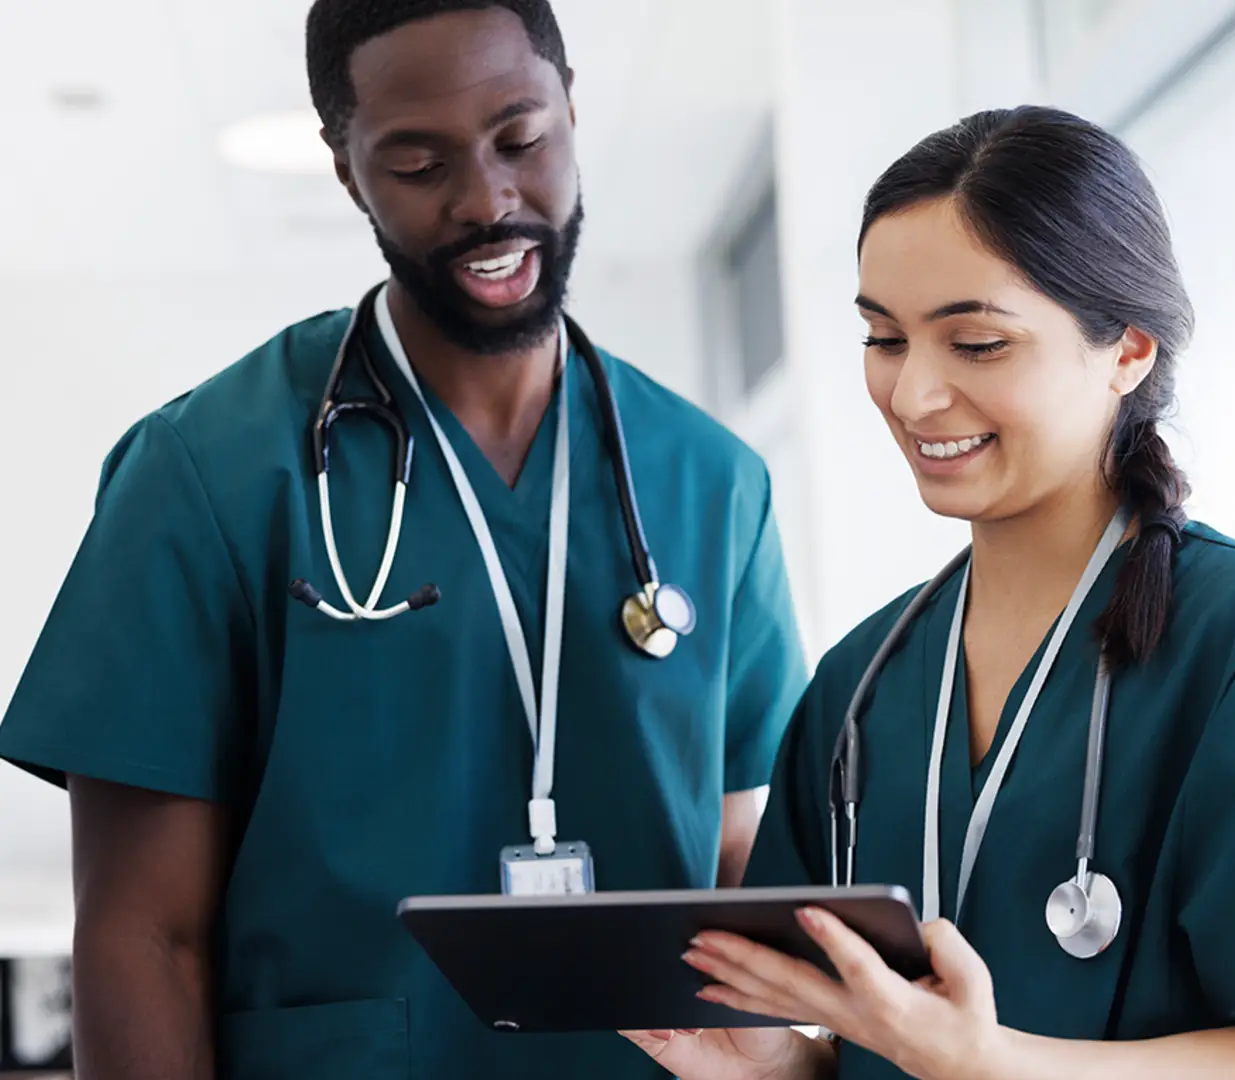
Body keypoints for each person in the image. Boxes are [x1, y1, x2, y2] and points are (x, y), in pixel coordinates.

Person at [0, 2, 809, 1078]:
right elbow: (144, 935)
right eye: (420, 164)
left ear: (572, 107)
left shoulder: (713, 482)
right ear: (346, 169)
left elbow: (734, 842)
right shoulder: (207, 474)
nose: (488, 201)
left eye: (521, 139)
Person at [622, 105, 1235, 1080]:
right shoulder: (860, 686)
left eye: (976, 344)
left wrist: (992, 1063)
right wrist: (769, 1072)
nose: (914, 395)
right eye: (884, 338)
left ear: (1127, 352)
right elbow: (863, 1053)